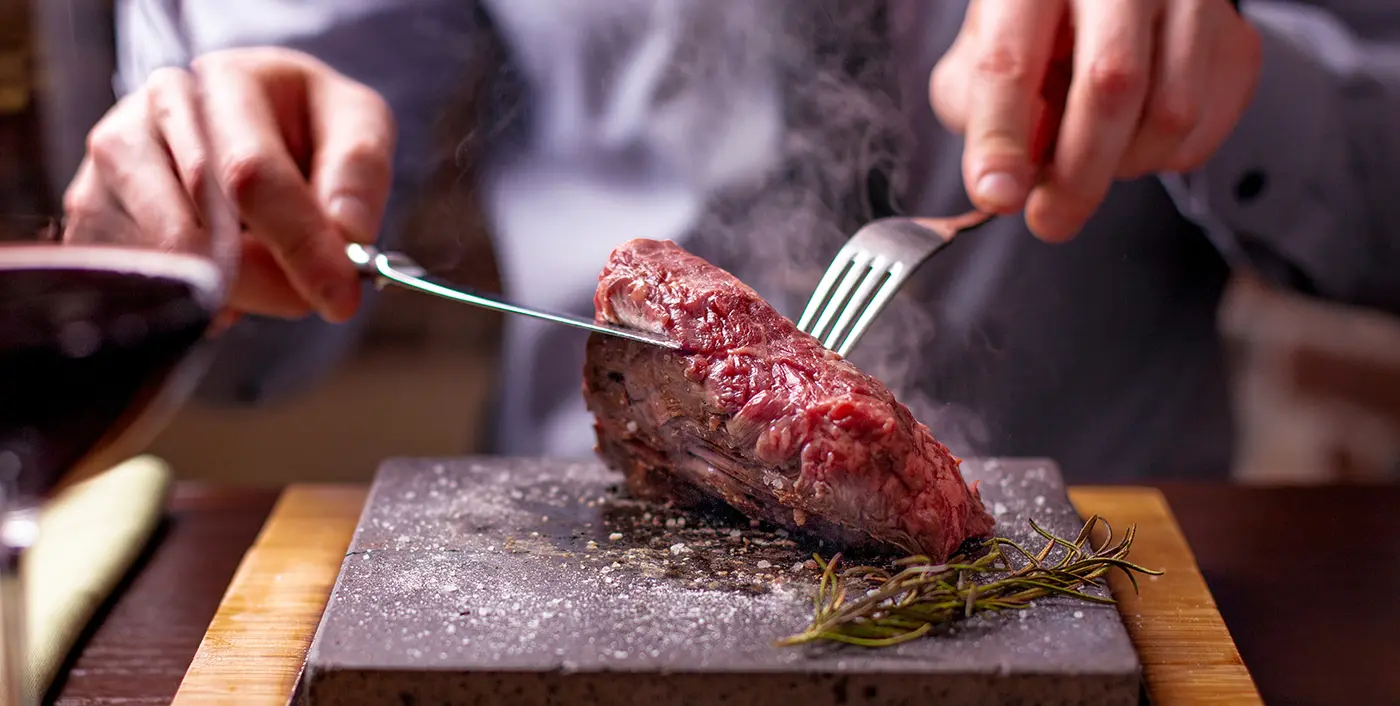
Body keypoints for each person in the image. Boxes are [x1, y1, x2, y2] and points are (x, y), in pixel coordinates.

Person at [71, 0, 1400, 482]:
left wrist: (1242, 81)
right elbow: (278, 104)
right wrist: (219, 187)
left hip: (1103, 572)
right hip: (575, 562)